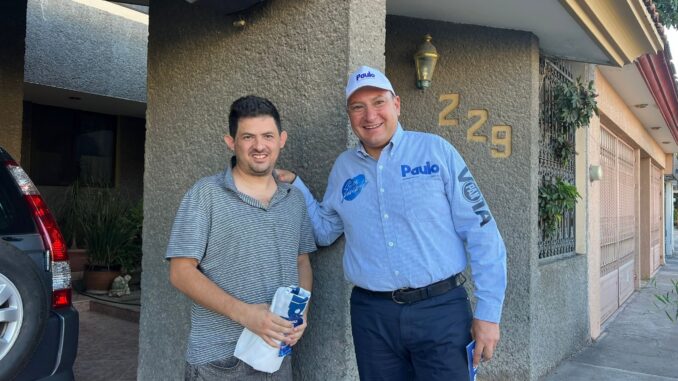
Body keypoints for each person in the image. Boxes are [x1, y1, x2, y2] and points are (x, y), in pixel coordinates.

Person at [277, 66, 507, 381]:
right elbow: (326, 231)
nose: (370, 115)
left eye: (378, 102)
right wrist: (297, 186)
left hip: (441, 312)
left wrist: (489, 314)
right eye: (358, 107)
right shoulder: (344, 169)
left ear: (396, 104)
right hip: (373, 317)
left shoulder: (436, 152)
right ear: (349, 115)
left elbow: (483, 233)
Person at [166, 95, 317, 381]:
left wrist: (302, 313)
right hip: (219, 361)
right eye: (248, 136)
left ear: (281, 139)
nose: (259, 146)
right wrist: (246, 315)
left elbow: (302, 262)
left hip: (276, 354)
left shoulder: (294, 200)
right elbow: (180, 272)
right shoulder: (205, 195)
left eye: (268, 136)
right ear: (230, 141)